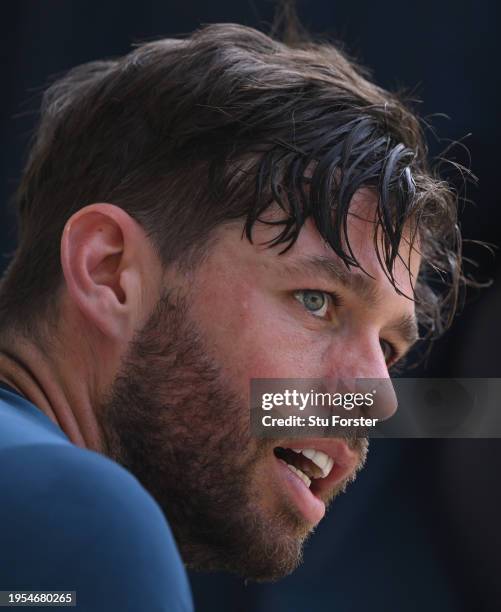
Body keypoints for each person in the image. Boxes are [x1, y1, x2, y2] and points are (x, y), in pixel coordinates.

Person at [0, 22, 461, 611]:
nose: (377, 398)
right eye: (316, 300)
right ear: (109, 270)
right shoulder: (80, 522)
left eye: (391, 351)